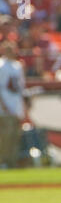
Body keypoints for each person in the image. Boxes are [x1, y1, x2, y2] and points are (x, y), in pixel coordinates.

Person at [0, 40, 26, 169]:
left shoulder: (18, 66)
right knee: (5, 136)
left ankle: (12, 162)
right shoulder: (1, 65)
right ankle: (3, 161)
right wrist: (3, 105)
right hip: (5, 107)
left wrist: (22, 107)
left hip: (16, 106)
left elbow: (21, 88)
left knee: (16, 136)